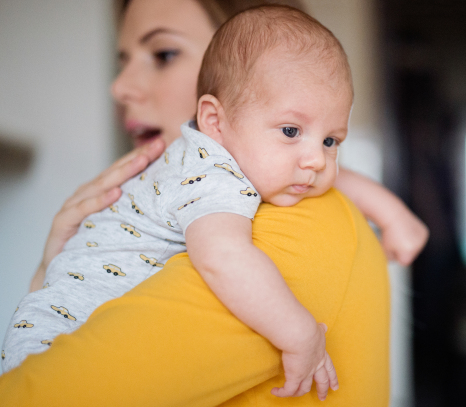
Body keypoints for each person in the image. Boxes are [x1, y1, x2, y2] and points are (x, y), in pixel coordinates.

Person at [0, 0, 428, 405]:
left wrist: (301, 332)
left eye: (164, 53)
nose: (121, 87)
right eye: (123, 59)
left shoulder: (285, 222)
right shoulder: (208, 172)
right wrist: (50, 263)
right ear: (213, 119)